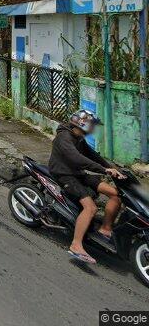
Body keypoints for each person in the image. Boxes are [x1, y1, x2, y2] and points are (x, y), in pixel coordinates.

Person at [48, 109, 126, 264]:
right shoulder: (64, 138)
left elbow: (93, 156)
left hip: (77, 173)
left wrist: (113, 169)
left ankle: (105, 229)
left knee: (116, 194)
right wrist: (104, 170)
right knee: (90, 208)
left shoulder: (79, 138)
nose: (93, 129)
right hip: (64, 175)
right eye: (93, 126)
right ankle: (76, 245)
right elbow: (77, 159)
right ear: (83, 124)